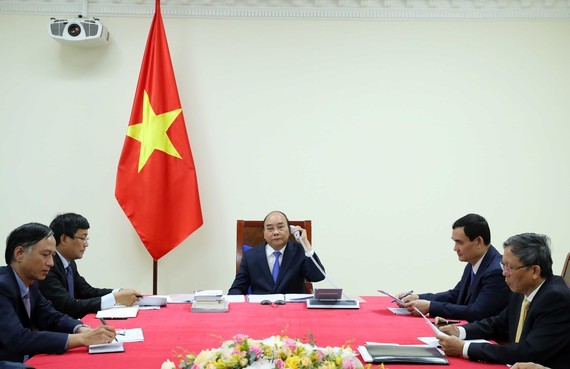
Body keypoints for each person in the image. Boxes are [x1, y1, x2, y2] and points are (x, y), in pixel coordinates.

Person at [437, 233, 570, 369]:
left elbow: (528, 352)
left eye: (509, 267)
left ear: (535, 271)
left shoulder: (556, 299)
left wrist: (465, 348)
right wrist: (459, 331)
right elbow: (498, 324)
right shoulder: (522, 290)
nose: (504, 273)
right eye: (503, 265)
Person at [0, 222, 117, 363]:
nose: (51, 263)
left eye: (53, 255)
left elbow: (51, 316)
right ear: (19, 253)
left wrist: (80, 329)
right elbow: (18, 338)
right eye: (45, 255)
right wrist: (81, 339)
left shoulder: (31, 283)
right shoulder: (3, 286)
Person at [400, 213, 511, 321]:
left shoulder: (496, 271)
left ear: (478, 241)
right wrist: (418, 298)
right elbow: (456, 295)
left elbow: (478, 312)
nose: (455, 248)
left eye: (459, 243)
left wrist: (431, 307)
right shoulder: (473, 263)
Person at [38, 213, 140, 319]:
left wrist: (118, 292)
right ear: (64, 239)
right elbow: (68, 306)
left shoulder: (69, 262)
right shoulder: (48, 266)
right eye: (83, 238)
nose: (86, 244)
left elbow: (87, 292)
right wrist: (115, 298)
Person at [228, 211, 326, 295]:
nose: (276, 232)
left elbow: (317, 276)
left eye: (280, 227)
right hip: (261, 311)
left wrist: (306, 245)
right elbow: (237, 288)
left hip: (292, 311)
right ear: (264, 233)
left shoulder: (300, 251)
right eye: (270, 228)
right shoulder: (250, 256)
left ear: (289, 230)